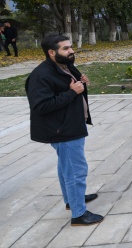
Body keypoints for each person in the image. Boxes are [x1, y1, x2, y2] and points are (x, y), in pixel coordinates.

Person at [25, 35, 103, 226]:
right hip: (63, 130)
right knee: (76, 170)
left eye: (70, 47)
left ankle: (72, 200)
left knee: (66, 167)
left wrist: (81, 83)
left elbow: (71, 87)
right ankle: (79, 214)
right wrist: (72, 92)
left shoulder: (64, 66)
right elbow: (41, 106)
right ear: (51, 52)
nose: (71, 51)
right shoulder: (40, 76)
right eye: (66, 48)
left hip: (71, 124)